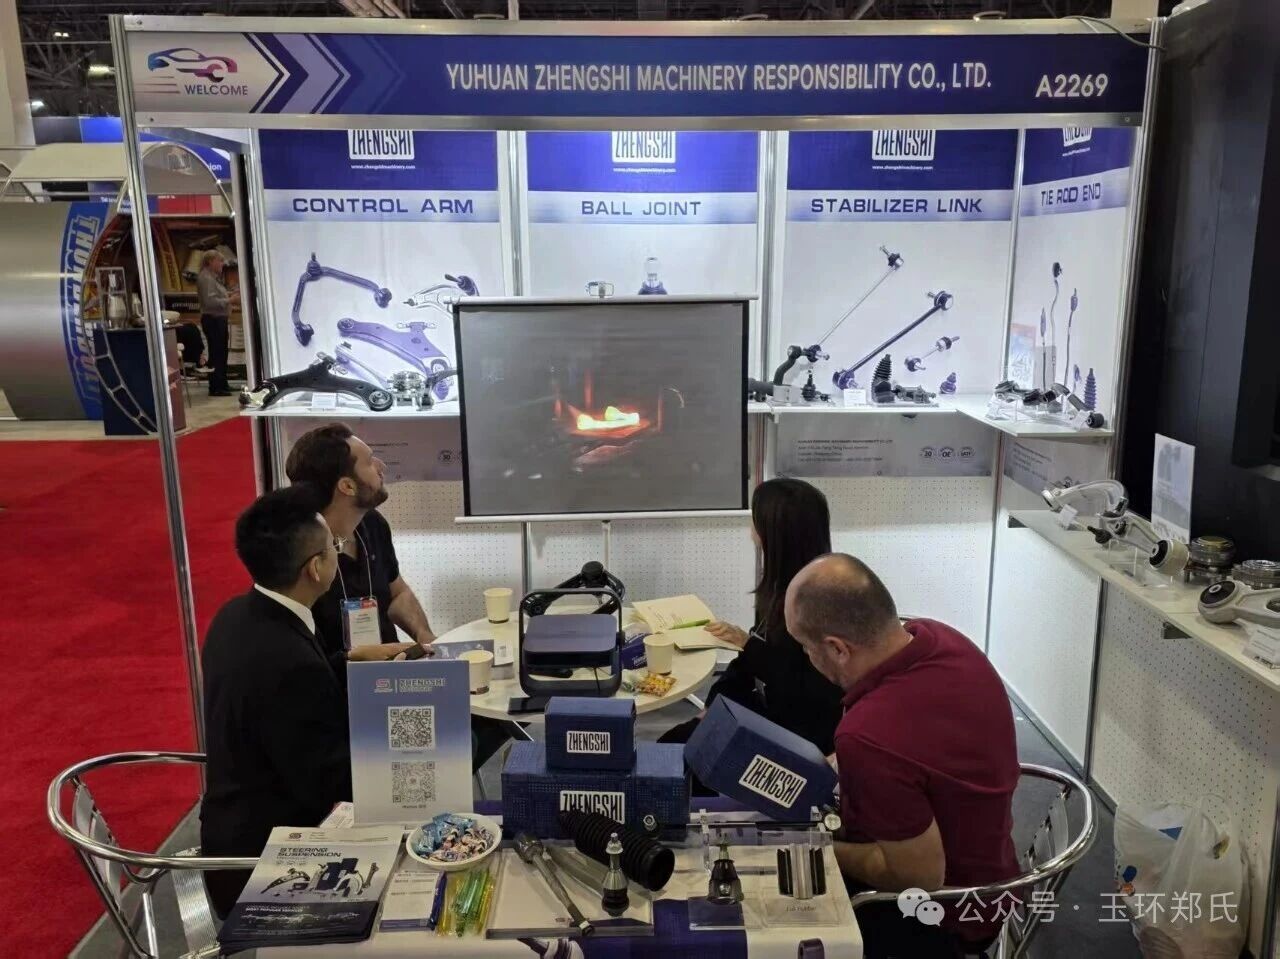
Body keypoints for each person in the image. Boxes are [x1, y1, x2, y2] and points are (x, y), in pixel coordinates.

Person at [785, 553, 1021, 959]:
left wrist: (816, 848)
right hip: (995, 876)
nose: (807, 658)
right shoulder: (942, 640)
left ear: (838, 648)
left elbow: (919, 876)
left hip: (945, 916)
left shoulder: (869, 736)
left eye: (806, 647)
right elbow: (914, 745)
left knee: (781, 903)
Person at [200, 487, 412, 917]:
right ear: (315, 568)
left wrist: (348, 659)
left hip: (229, 823)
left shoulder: (237, 615)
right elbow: (333, 785)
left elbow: (279, 701)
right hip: (267, 862)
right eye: (333, 546)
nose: (339, 551)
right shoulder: (289, 661)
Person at [660, 478, 844, 757]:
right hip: (765, 709)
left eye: (755, 519)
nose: (751, 528)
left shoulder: (821, 603)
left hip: (795, 736)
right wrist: (715, 705)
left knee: (674, 758)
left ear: (773, 532)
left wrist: (749, 645)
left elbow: (807, 693)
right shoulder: (778, 587)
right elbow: (750, 666)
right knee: (669, 745)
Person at [284, 423, 437, 661]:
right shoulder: (298, 550)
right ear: (347, 486)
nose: (381, 466)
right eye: (369, 461)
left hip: (393, 668)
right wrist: (354, 659)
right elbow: (293, 651)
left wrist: (424, 635)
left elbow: (397, 593)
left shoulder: (372, 524)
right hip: (335, 677)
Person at [196, 249, 238, 397]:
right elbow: (210, 302)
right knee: (216, 353)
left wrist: (229, 295)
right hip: (213, 319)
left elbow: (216, 296)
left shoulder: (214, 278)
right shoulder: (206, 278)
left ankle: (222, 383)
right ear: (210, 262)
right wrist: (230, 300)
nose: (222, 263)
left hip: (219, 319)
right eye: (219, 261)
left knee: (222, 353)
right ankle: (216, 386)